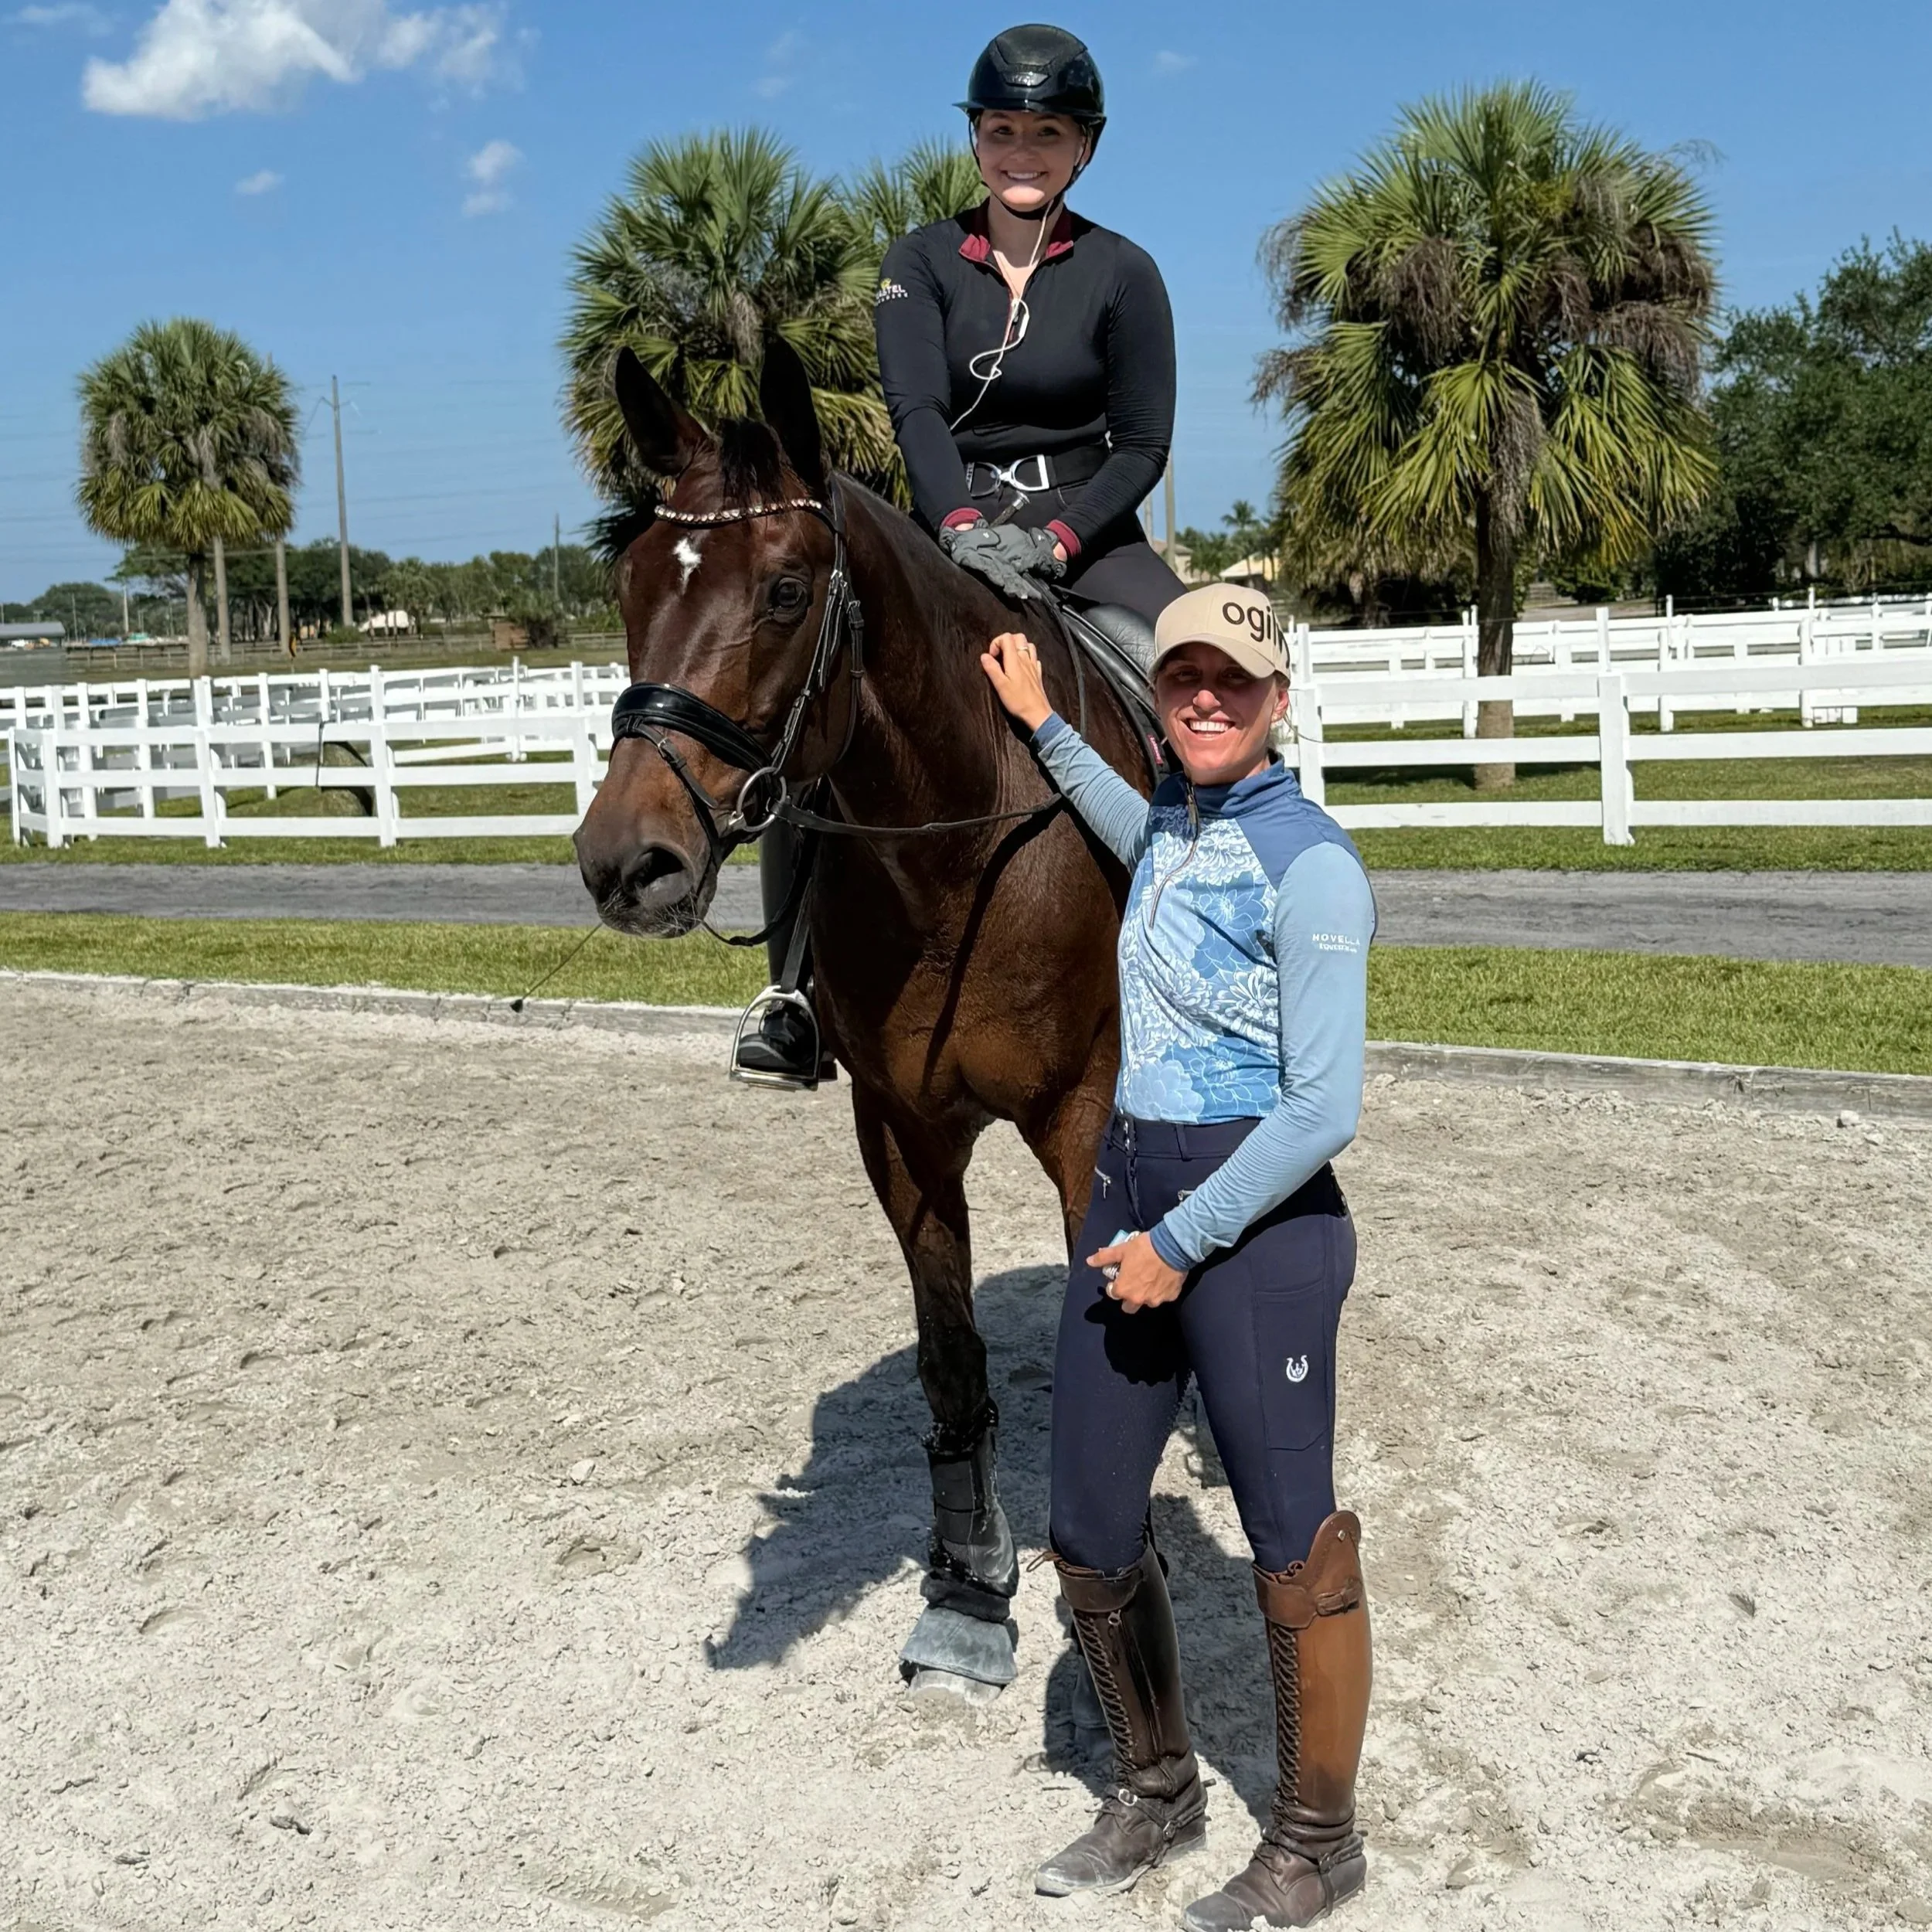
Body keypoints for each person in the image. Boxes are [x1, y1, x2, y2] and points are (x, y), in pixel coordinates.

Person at [980, 584, 1377, 1930]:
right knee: (1088, 1526)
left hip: (1255, 1226)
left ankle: (1318, 1845)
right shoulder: (1168, 822)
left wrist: (1181, 1243)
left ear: (1279, 702)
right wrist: (1041, 719)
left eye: (1234, 681)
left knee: (1295, 1546)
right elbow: (1118, 812)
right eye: (1182, 676)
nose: (1206, 698)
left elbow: (1323, 1109)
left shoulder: (1312, 866)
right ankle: (1157, 1791)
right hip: (1133, 1196)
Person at [736, 21, 1185, 1085]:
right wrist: (961, 530)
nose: (1023, 151)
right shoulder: (920, 263)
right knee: (814, 697)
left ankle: (1226, 925)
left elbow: (1144, 445)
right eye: (1002, 130)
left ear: (1085, 146)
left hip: (1090, 533)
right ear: (975, 139)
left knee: (1199, 663)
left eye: (1048, 132)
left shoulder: (1126, 272)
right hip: (951, 528)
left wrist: (1062, 538)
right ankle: (792, 989)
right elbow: (919, 414)